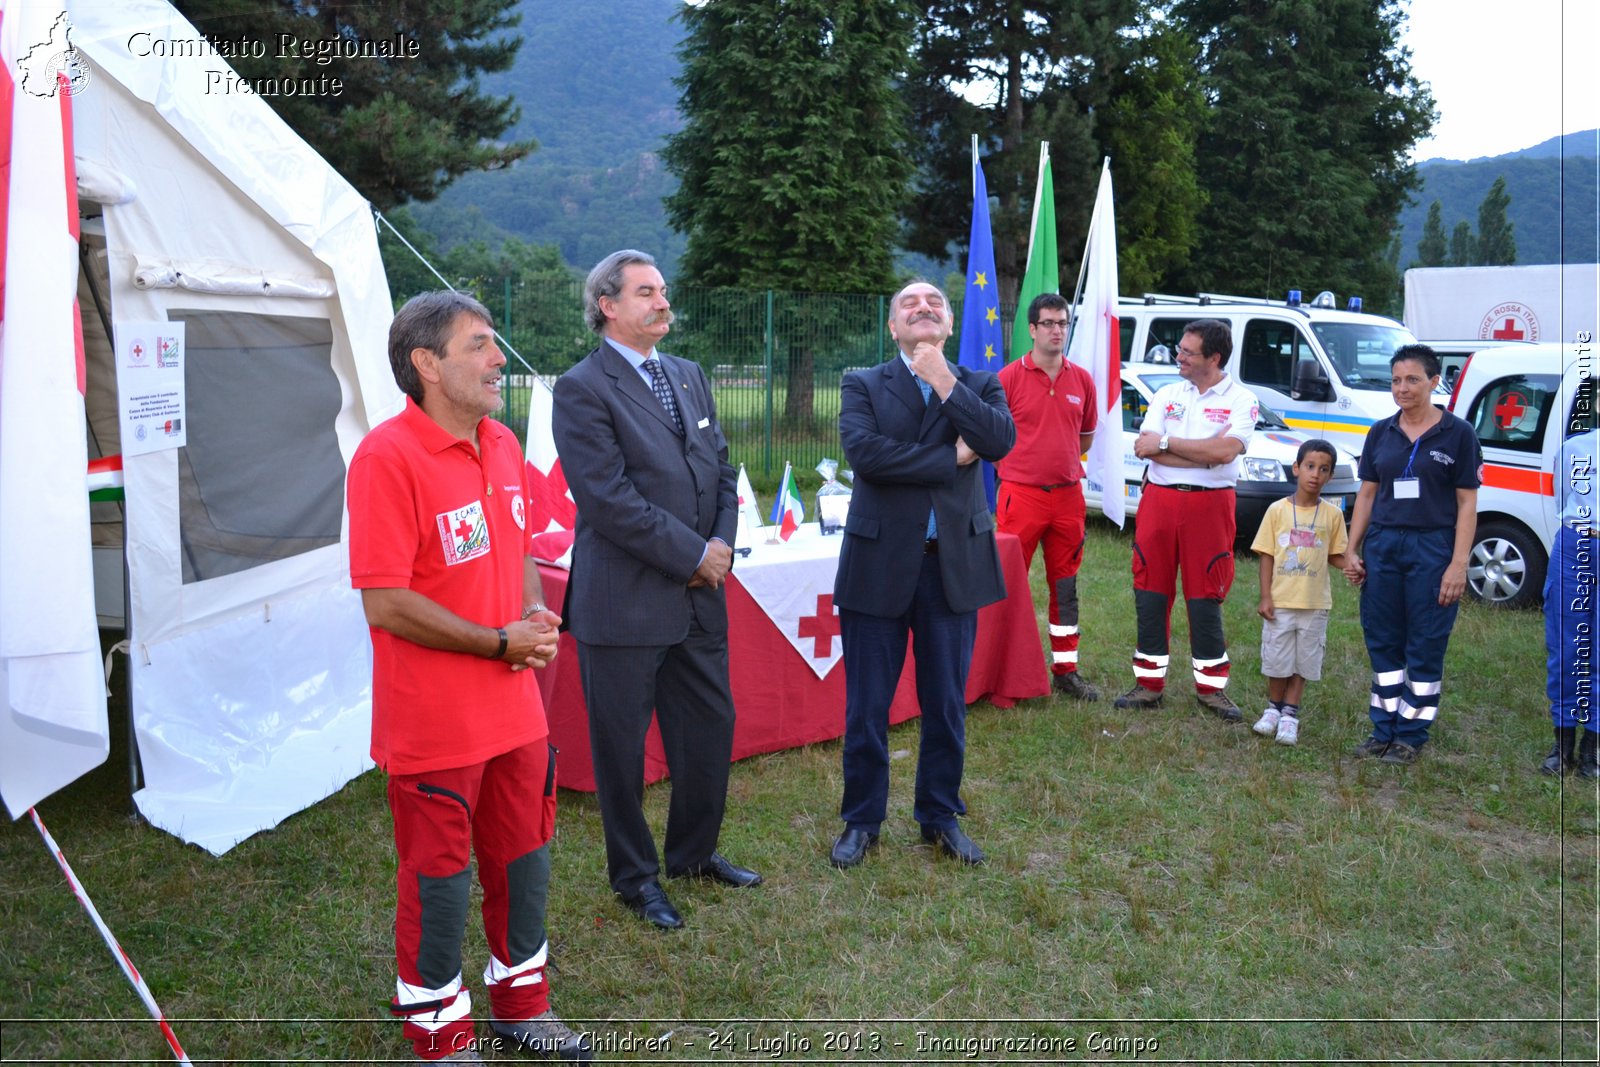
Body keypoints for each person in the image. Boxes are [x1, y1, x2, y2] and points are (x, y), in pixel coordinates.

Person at [347, 292, 591, 1063]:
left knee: (525, 860)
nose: (498, 359)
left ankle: (523, 1005)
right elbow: (386, 602)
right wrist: (496, 640)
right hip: (435, 723)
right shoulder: (386, 457)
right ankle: (440, 1032)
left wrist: (530, 611)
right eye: (480, 345)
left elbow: (517, 546)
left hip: (517, 712)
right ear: (426, 363)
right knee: (441, 881)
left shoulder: (504, 443)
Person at [551, 250, 759, 931]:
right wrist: (694, 554)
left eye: (664, 290)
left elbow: (723, 467)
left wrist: (719, 546)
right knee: (621, 750)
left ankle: (694, 855)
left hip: (700, 595)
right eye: (646, 292)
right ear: (608, 305)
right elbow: (608, 500)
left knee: (708, 731)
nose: (662, 302)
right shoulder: (582, 387)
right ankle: (635, 878)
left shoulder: (690, 375)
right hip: (626, 601)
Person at [829, 280, 1016, 870]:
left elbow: (997, 441)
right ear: (892, 328)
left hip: (951, 569)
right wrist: (950, 458)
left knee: (946, 705)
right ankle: (862, 821)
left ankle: (939, 816)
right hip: (878, 565)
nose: (922, 308)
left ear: (950, 324)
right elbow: (867, 456)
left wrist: (943, 379)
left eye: (934, 303)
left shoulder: (980, 384)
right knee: (866, 707)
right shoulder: (862, 383)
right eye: (909, 304)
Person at [1342, 344, 1481, 766]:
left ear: (1435, 382)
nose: (1402, 388)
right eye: (1396, 380)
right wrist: (1351, 548)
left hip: (1432, 547)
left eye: (1412, 380)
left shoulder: (1458, 434)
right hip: (1383, 545)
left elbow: (1466, 505)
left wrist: (1458, 564)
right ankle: (1382, 729)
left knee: (1424, 642)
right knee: (1383, 639)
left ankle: (1411, 735)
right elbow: (1367, 494)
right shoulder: (1380, 432)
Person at [1113, 319, 1258, 721]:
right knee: (1150, 589)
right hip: (1159, 502)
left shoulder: (1242, 400)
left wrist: (1169, 444)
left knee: (1205, 594)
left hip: (1210, 507)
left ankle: (1212, 689)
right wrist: (1200, 453)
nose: (1178, 356)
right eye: (1179, 349)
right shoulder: (1167, 394)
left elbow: (1227, 452)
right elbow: (1146, 447)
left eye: (1187, 352)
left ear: (1214, 358)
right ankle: (1148, 683)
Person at [995, 292, 1101, 701]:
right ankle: (1004, 673)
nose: (1058, 331)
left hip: (1068, 498)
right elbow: (992, 434)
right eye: (1050, 324)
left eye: (1063, 323)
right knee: (1009, 585)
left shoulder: (1082, 380)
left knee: (1066, 588)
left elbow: (1086, 435)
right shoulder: (1008, 379)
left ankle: (1066, 670)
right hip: (1021, 497)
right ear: (1032, 329)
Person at [1249, 439, 1349, 746]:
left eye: (1323, 469)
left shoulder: (1332, 515)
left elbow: (1336, 554)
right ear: (1296, 469)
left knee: (1304, 661)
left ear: (1330, 476)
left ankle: (1290, 714)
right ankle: (1273, 709)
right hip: (1280, 602)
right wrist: (1266, 596)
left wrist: (1355, 566)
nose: (1315, 474)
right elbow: (1266, 554)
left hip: (1314, 604)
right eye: (1309, 466)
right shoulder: (1276, 511)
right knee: (1277, 659)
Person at [1541, 423, 1599, 777]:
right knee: (1565, 648)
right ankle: (1561, 747)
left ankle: (1591, 751)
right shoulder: (1576, 446)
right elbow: (1562, 496)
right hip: (1575, 544)